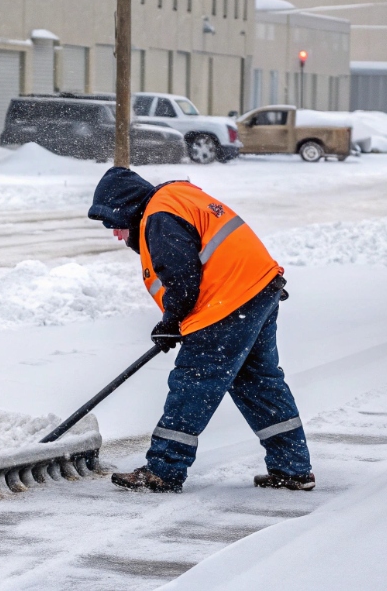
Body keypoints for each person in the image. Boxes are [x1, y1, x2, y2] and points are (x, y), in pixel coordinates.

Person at [86, 167, 314, 493]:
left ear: (127, 208)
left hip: (228, 303)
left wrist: (171, 321)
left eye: (114, 223)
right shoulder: (175, 200)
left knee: (193, 384)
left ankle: (163, 470)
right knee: (260, 385)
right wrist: (174, 323)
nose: (115, 233)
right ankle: (293, 468)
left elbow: (181, 277)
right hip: (259, 289)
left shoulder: (159, 217)